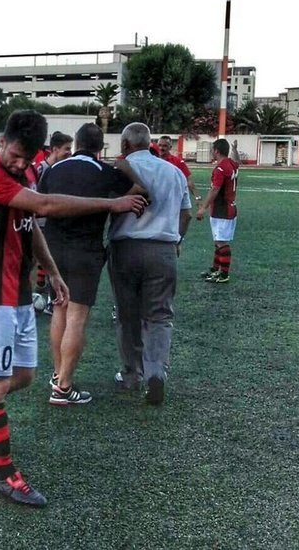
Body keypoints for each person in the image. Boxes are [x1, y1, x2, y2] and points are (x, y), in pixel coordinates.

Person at [0, 110, 146, 507]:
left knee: (23, 376)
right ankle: (6, 475)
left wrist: (54, 272)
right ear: (1, 143)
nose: (22, 164)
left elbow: (31, 226)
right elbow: (43, 205)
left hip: (20, 294)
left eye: (28, 158)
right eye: (15, 155)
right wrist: (110, 204)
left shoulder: (25, 174)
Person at [39, 123, 141, 405]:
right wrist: (123, 167)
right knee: (76, 317)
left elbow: (42, 203)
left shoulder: (54, 170)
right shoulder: (106, 172)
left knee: (59, 311)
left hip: (53, 249)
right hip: (86, 250)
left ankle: (58, 376)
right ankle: (63, 387)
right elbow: (140, 190)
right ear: (100, 147)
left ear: (76, 144)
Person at [108, 122, 192, 406]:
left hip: (125, 247)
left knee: (127, 314)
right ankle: (156, 372)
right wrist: (177, 240)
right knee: (159, 315)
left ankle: (132, 374)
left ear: (125, 144)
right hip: (163, 249)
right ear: (150, 142)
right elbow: (186, 214)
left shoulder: (119, 169)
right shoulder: (174, 172)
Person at [31, 131, 72, 308]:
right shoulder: (40, 169)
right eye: (67, 149)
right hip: (39, 223)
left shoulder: (64, 169)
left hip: (55, 223)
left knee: (50, 260)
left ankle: (46, 296)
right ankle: (39, 295)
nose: (70, 152)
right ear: (54, 149)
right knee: (38, 260)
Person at [197, 138, 239, 283]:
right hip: (228, 208)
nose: (211, 152)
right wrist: (235, 150)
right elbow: (237, 162)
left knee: (222, 242)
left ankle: (224, 275)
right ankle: (215, 269)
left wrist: (203, 207)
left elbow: (215, 189)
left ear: (216, 151)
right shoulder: (231, 164)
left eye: (212, 150)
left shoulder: (221, 168)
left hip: (222, 210)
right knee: (218, 241)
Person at [157, 135, 200, 203]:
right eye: (159, 145)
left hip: (173, 199)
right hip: (156, 198)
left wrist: (197, 198)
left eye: (165, 146)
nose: (161, 148)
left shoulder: (178, 162)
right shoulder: (152, 160)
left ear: (170, 147)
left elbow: (189, 180)